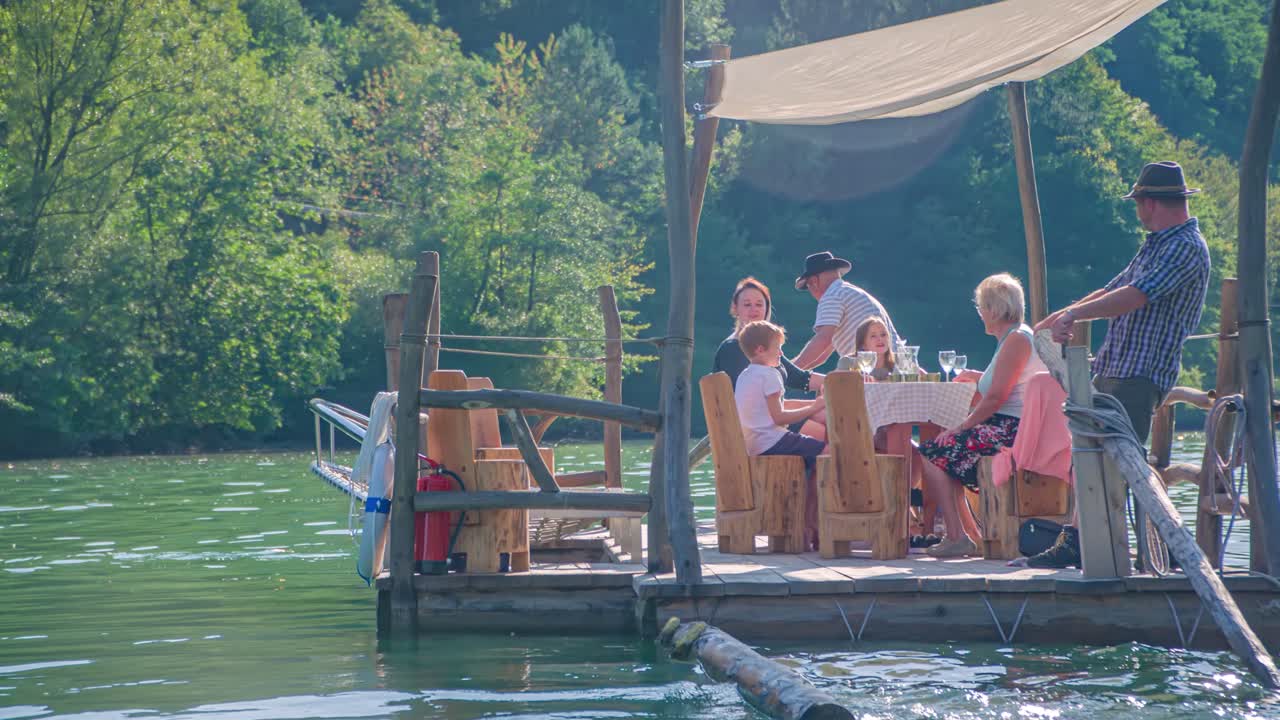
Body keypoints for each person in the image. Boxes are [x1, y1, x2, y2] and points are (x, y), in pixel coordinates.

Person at [1028, 161, 1211, 569]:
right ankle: (1087, 543)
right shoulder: (1160, 243)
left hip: (1140, 373)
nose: (1137, 211)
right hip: (1118, 368)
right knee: (1099, 458)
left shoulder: (1184, 246)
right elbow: (1111, 289)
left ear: (1149, 203)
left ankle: (1169, 553)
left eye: (1138, 204)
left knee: (1122, 465)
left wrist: (1073, 318)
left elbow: (1134, 296)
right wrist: (1057, 317)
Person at [917, 274, 1046, 558]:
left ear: (995, 310)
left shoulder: (1017, 340)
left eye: (981, 307)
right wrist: (979, 376)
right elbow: (1005, 383)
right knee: (942, 452)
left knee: (932, 452)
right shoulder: (1013, 338)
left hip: (1012, 429)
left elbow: (996, 398)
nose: (980, 313)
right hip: (1008, 425)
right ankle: (966, 534)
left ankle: (958, 536)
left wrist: (962, 426)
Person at [735, 320, 826, 549]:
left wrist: (808, 407)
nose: (781, 354)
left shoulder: (745, 375)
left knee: (813, 455)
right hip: (771, 440)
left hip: (754, 443)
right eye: (778, 348)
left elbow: (773, 411)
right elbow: (779, 418)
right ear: (760, 350)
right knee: (828, 452)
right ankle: (813, 522)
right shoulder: (770, 375)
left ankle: (805, 524)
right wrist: (815, 408)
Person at [713, 277, 826, 440]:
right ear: (735, 308)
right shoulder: (733, 348)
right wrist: (814, 407)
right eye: (747, 304)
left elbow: (800, 378)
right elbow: (756, 404)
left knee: (827, 416)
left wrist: (841, 381)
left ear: (767, 309)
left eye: (759, 304)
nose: (754, 309)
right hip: (753, 428)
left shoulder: (765, 346)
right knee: (823, 431)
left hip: (772, 417)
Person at [791, 251, 900, 371]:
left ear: (813, 282)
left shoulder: (832, 295)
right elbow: (823, 353)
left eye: (808, 286)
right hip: (897, 368)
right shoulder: (848, 292)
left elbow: (823, 339)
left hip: (878, 370)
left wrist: (788, 370)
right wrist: (794, 370)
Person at [853, 315, 896, 381]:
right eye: (873, 336)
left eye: (883, 335)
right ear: (863, 344)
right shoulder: (849, 364)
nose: (880, 339)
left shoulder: (900, 363)